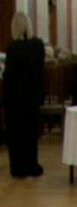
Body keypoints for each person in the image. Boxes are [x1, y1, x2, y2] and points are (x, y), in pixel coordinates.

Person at [3, 12, 45, 178]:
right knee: (31, 133)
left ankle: (18, 167)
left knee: (16, 134)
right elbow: (39, 72)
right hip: (32, 97)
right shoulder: (38, 45)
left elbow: (9, 76)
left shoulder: (13, 48)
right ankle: (32, 165)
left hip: (15, 99)